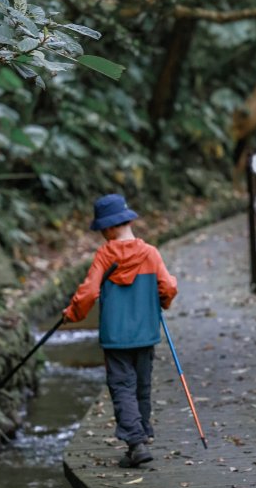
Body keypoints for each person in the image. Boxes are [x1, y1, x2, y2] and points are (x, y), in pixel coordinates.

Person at [63, 193, 178, 468]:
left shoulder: (105, 256)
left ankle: (136, 443)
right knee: (142, 385)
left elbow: (89, 291)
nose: (103, 235)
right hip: (146, 332)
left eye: (102, 230)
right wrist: (161, 301)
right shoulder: (150, 253)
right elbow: (169, 287)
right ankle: (141, 436)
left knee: (122, 387)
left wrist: (73, 313)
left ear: (110, 227)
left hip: (115, 336)